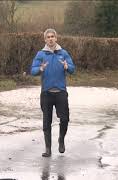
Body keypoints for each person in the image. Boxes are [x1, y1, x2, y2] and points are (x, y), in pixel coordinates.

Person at [30, 28, 75, 157]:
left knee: (65, 119)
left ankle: (61, 140)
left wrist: (67, 67)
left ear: (56, 38)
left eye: (52, 36)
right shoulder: (41, 54)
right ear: (45, 40)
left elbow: (73, 68)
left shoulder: (63, 53)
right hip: (46, 93)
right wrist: (40, 68)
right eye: (48, 37)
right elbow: (32, 71)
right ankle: (48, 148)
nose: (50, 39)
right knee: (46, 121)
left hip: (60, 92)